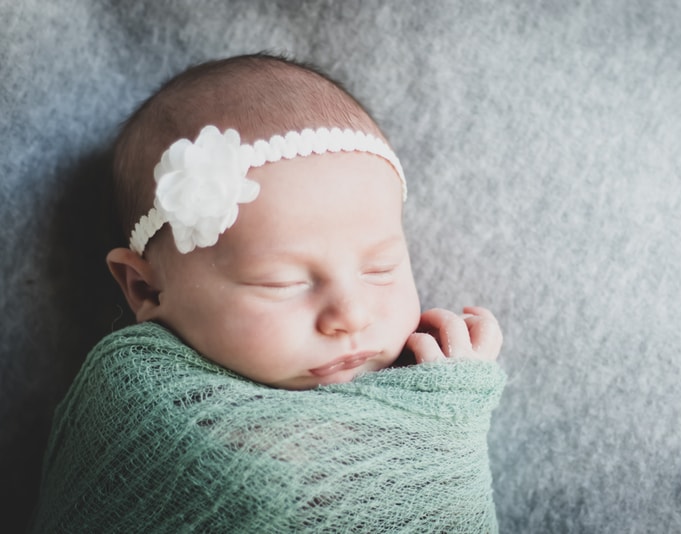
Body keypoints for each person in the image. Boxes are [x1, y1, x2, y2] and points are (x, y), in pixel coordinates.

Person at [32, 53, 505, 533]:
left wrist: (450, 402)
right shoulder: (136, 400)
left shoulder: (413, 376)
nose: (351, 315)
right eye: (282, 282)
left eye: (381, 269)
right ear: (146, 287)